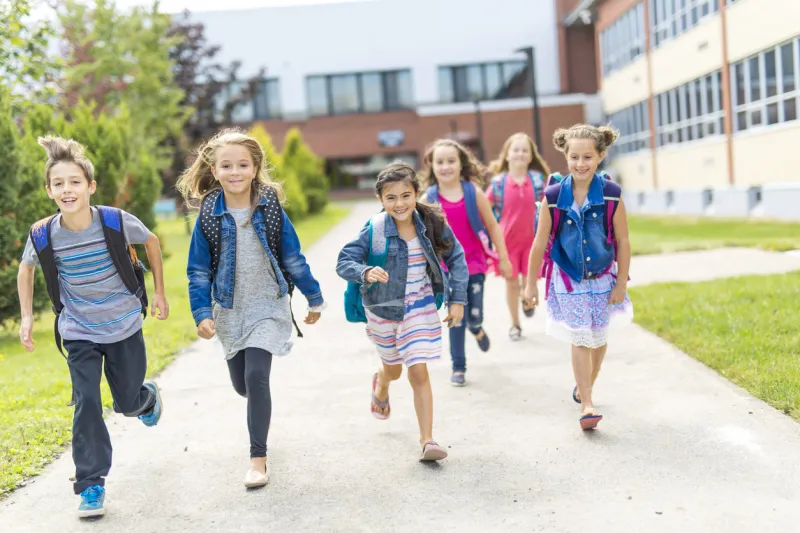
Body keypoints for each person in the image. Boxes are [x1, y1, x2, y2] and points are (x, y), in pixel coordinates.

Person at [18, 136, 169, 518]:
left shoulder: (114, 221)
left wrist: (160, 293)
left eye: (74, 182)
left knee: (127, 404)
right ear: (48, 190)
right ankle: (90, 485)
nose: (67, 190)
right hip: (78, 330)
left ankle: (144, 398)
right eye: (58, 184)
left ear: (90, 186)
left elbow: (151, 242)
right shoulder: (44, 233)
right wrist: (26, 318)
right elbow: (26, 267)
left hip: (123, 326)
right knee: (86, 401)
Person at [178, 129, 326, 487]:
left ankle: (257, 459)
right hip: (229, 309)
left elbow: (292, 256)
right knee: (244, 385)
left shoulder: (270, 207)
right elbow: (197, 270)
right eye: (226, 166)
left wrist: (314, 295)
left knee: (257, 377)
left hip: (267, 304)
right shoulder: (209, 215)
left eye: (243, 164)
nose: (235, 172)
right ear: (214, 171)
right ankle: (257, 405)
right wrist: (202, 313)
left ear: (255, 167)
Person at [336, 162, 468, 461]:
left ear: (417, 193)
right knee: (394, 369)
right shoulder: (375, 229)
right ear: (381, 200)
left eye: (406, 195)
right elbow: (344, 261)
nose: (400, 203)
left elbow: (457, 258)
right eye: (391, 198)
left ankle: (427, 440)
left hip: (420, 307)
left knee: (418, 369)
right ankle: (381, 382)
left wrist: (456, 299)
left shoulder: (432, 222)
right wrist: (366, 270)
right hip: (383, 310)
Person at [523, 124, 633, 430]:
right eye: (574, 157)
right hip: (569, 277)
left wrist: (622, 281)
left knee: (599, 337)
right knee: (581, 337)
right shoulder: (554, 197)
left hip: (603, 276)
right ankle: (587, 403)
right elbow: (539, 242)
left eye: (587, 157)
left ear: (600, 156)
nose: (580, 163)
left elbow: (623, 240)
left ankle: (586, 386)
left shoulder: (611, 196)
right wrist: (530, 283)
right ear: (565, 156)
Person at [420, 139, 512, 387]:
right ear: (431, 166)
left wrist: (503, 258)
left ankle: (477, 328)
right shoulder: (427, 199)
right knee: (455, 317)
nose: (446, 166)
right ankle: (458, 367)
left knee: (473, 315)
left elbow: (493, 225)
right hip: (447, 270)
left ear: (461, 164)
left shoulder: (473, 193)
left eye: (451, 161)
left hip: (474, 265)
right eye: (440, 162)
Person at [486, 133, 551, 341]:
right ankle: (515, 324)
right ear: (507, 155)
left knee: (529, 280)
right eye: (516, 149)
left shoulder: (539, 181)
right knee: (511, 282)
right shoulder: (498, 183)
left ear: (531, 157)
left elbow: (549, 208)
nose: (520, 153)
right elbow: (485, 209)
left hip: (534, 243)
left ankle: (526, 296)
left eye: (525, 150)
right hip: (507, 243)